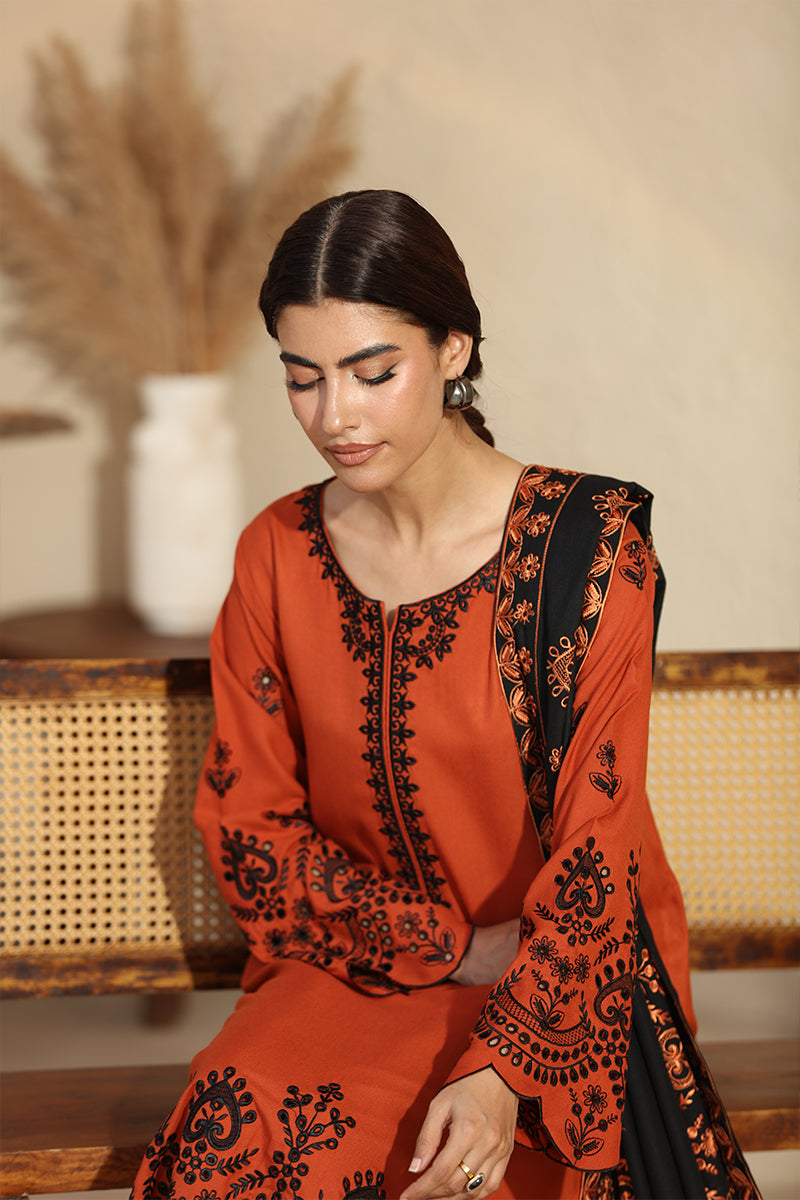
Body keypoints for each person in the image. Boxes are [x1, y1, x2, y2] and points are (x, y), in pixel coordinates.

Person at [132, 190, 760, 1200]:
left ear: (454, 351)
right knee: (236, 1122)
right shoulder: (276, 554)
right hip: (355, 968)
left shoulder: (584, 552)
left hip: (561, 990)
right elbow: (252, 832)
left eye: (373, 373)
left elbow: (601, 851)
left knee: (457, 1158)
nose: (334, 416)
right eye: (302, 380)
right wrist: (455, 946)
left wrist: (502, 1069)